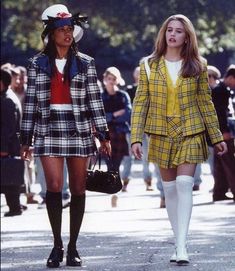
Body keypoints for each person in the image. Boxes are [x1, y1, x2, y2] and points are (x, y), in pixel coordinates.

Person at [131, 14, 227, 265]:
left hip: (191, 131)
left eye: (179, 31)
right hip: (161, 132)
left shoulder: (198, 64)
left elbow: (205, 103)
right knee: (170, 189)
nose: (172, 34)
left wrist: (216, 136)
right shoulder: (149, 65)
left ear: (187, 37)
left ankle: (182, 246)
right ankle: (178, 240)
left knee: (185, 185)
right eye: (169, 30)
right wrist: (136, 138)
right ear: (163, 34)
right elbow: (141, 103)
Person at [20, 4, 111, 268]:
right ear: (51, 33)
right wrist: (26, 139)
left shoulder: (86, 63)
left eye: (70, 28)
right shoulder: (36, 64)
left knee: (79, 188)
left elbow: (95, 101)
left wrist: (103, 135)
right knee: (55, 186)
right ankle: (57, 245)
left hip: (79, 127)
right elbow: (31, 104)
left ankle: (73, 246)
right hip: (48, 129)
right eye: (62, 29)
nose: (67, 33)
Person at [122, 66, 154, 192]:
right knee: (128, 158)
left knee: (146, 157)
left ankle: (148, 181)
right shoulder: (129, 90)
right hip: (132, 128)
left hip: (147, 129)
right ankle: (124, 182)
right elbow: (128, 110)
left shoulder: (151, 90)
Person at [211, 64, 235, 202]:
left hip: (218, 132)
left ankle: (219, 192)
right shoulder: (220, 91)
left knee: (220, 165)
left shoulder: (221, 90)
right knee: (230, 163)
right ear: (231, 77)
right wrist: (224, 131)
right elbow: (220, 114)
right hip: (222, 132)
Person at [0, 69, 22, 216]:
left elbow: (7, 127)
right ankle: (14, 207)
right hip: (9, 145)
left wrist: (3, 148)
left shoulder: (7, 100)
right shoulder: (7, 96)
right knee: (9, 178)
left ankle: (15, 207)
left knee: (10, 178)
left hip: (8, 146)